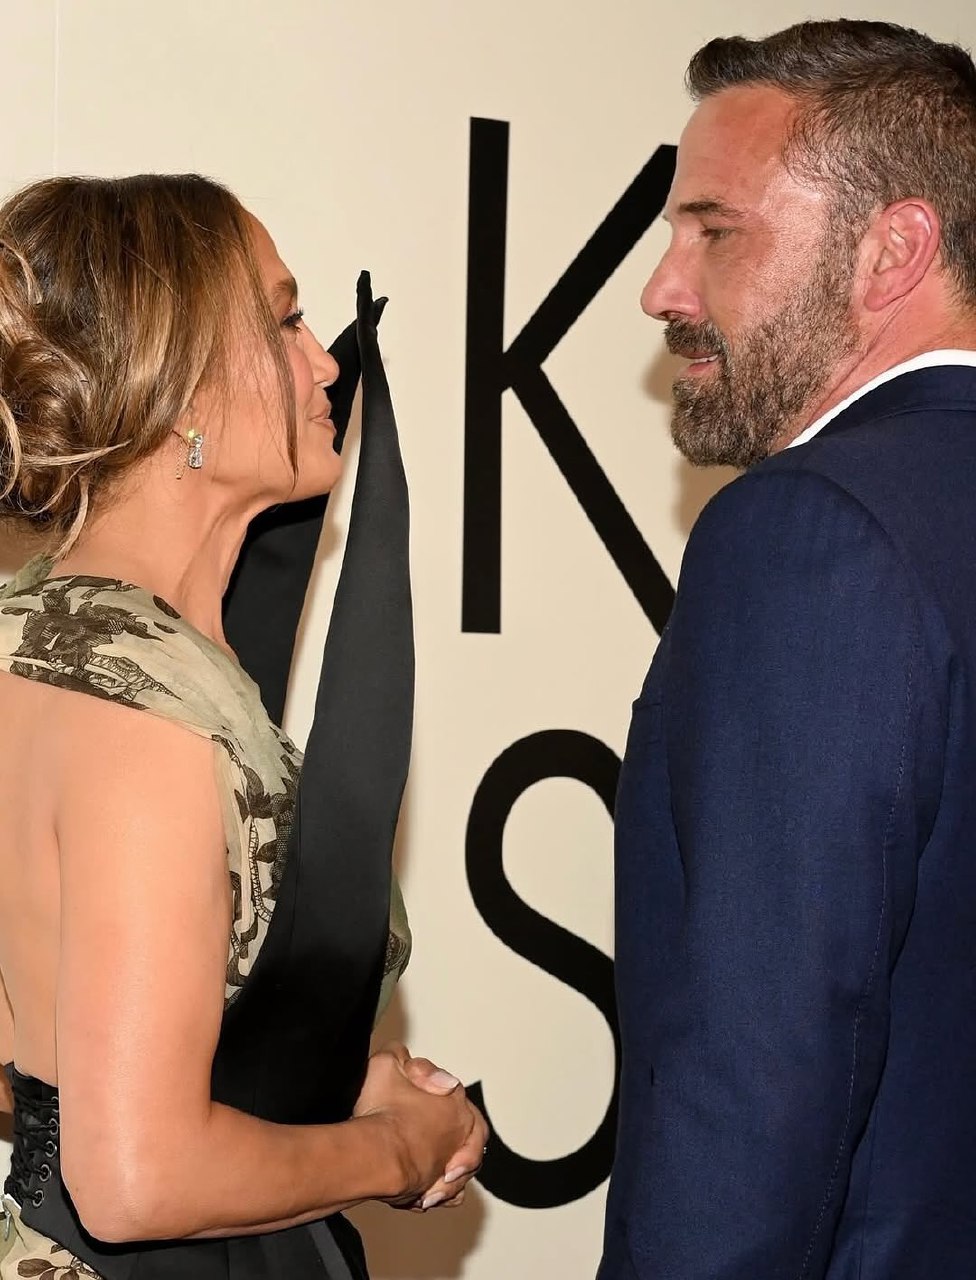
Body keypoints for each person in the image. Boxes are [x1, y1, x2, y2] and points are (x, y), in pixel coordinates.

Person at [0, 173, 487, 1279]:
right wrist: (394, 1146)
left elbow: (61, 1060)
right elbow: (138, 1178)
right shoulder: (144, 710)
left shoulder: (37, 642)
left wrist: (310, 1093)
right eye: (284, 319)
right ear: (178, 389)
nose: (325, 363)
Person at [600, 19, 976, 1280]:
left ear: (892, 250)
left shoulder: (814, 528)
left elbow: (761, 1066)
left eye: (714, 232)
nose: (662, 288)